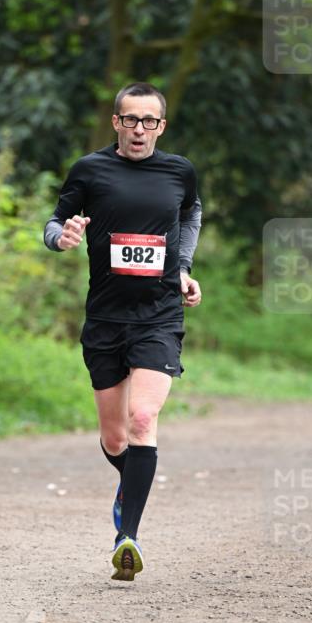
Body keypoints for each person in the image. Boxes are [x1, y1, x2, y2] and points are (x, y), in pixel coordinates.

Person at [43, 82, 202, 581]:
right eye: (130, 120)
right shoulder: (90, 170)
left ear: (161, 126)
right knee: (115, 439)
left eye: (149, 121)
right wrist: (62, 238)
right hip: (106, 318)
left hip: (159, 315)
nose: (139, 130)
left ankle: (126, 537)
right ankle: (131, 480)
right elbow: (53, 223)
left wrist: (182, 267)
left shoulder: (179, 172)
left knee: (141, 419)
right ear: (116, 122)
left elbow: (190, 213)